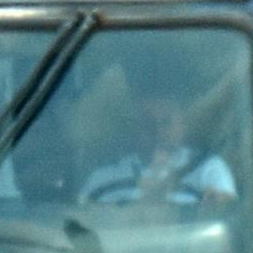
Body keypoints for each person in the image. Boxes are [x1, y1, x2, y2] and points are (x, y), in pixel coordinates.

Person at [80, 86, 236, 207]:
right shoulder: (102, 180)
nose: (158, 132)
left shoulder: (207, 170)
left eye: (166, 122)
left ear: (182, 126)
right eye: (148, 124)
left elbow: (227, 223)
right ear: (135, 130)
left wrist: (217, 206)